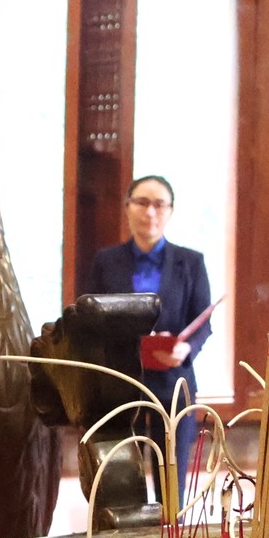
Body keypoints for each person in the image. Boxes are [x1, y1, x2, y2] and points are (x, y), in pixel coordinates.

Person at [84, 175, 213, 491]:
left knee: (171, 484)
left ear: (170, 211)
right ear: (127, 207)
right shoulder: (106, 261)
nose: (150, 212)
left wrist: (187, 349)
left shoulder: (191, 262)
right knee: (120, 482)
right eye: (141, 202)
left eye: (159, 204)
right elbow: (87, 317)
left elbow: (203, 322)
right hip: (120, 384)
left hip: (173, 383)